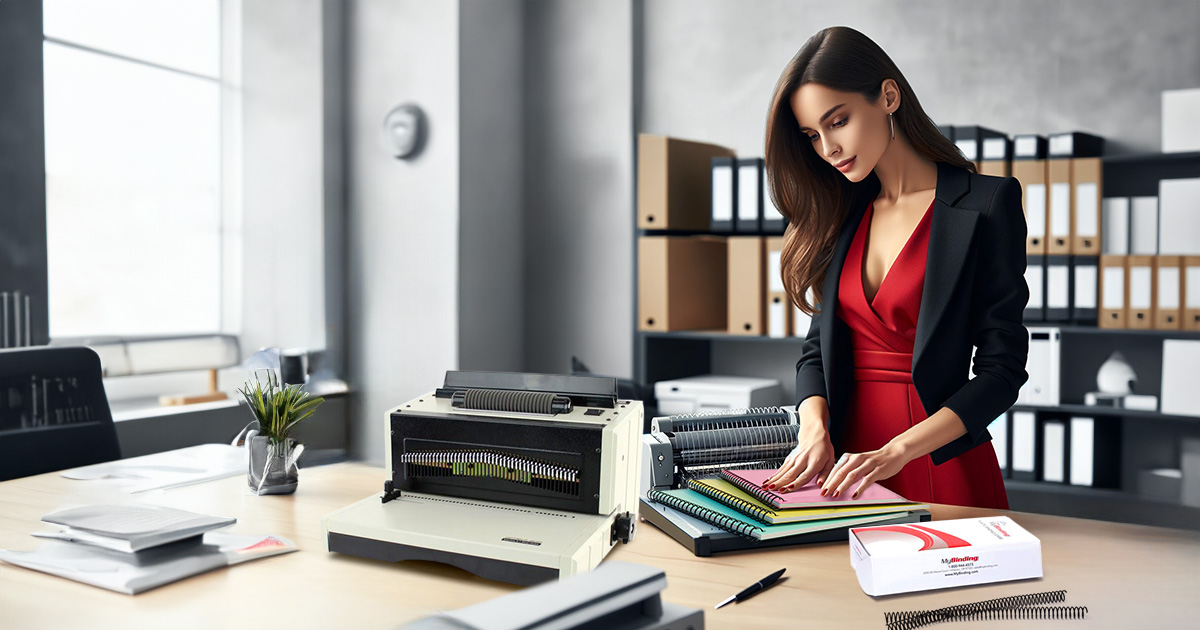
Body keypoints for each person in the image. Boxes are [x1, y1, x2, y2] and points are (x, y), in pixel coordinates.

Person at [760, 26, 1029, 509]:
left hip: (934, 459)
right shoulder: (838, 212)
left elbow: (1001, 371)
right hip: (842, 467)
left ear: (887, 96)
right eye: (811, 136)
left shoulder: (987, 204)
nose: (828, 149)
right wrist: (813, 426)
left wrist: (896, 453)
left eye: (837, 122)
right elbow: (816, 350)